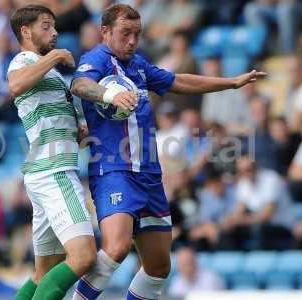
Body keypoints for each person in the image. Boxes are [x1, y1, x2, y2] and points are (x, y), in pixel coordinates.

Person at [70, 4, 266, 299]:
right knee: (117, 247)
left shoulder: (138, 64)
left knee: (159, 266)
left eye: (137, 34)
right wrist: (111, 94)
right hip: (114, 170)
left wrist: (231, 83)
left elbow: (179, 81)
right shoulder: (95, 59)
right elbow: (80, 85)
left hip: (149, 176)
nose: (133, 41)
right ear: (105, 32)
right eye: (125, 33)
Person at [7, 5, 96, 300]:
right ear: (25, 31)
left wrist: (78, 129)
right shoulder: (25, 59)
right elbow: (16, 84)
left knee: (44, 272)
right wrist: (56, 55)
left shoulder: (52, 75)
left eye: (55, 26)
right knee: (83, 256)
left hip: (43, 172)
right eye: (46, 26)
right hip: (54, 171)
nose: (55, 32)